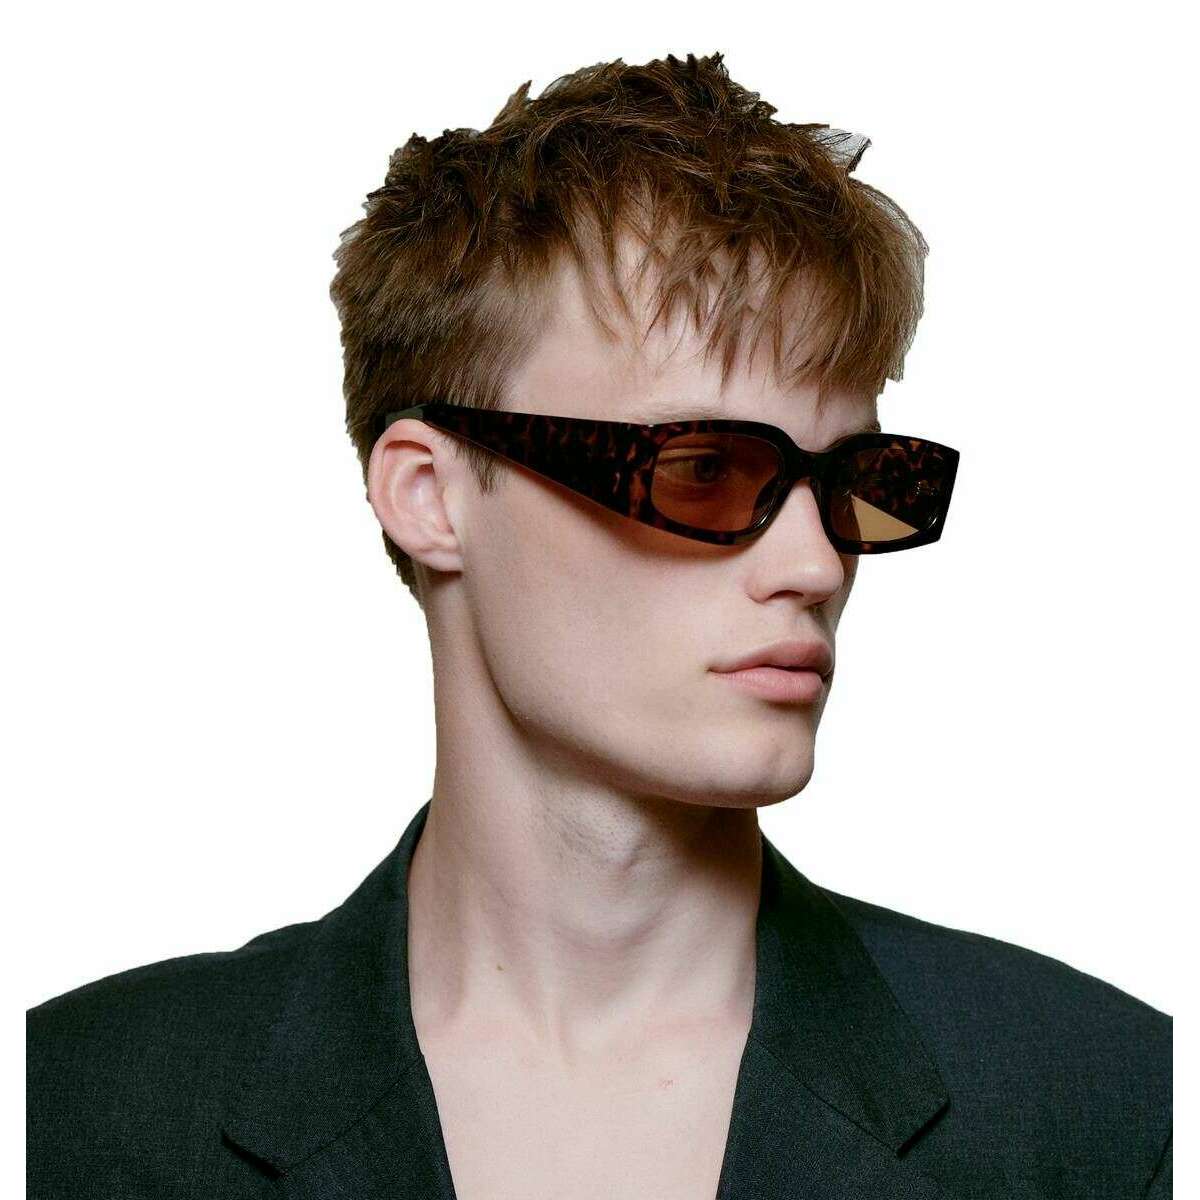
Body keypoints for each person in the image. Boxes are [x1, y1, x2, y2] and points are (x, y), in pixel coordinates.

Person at [26, 51, 1171, 1199]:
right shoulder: (70, 1114)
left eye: (859, 482)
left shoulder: (1113, 1110)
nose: (818, 564)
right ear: (428, 495)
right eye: (703, 470)